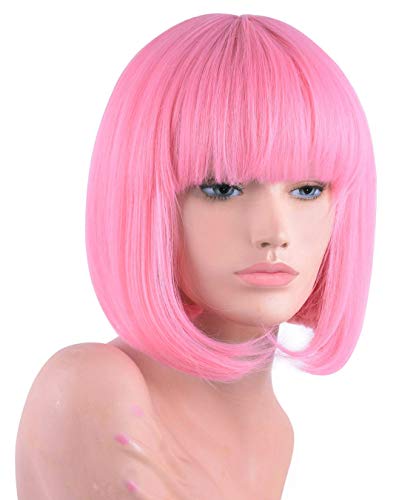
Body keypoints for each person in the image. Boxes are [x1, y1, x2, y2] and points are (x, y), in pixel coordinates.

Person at [15, 13, 377, 499]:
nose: (274, 232)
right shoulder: (91, 388)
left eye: (307, 190)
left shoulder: (276, 433)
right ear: (146, 198)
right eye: (222, 188)